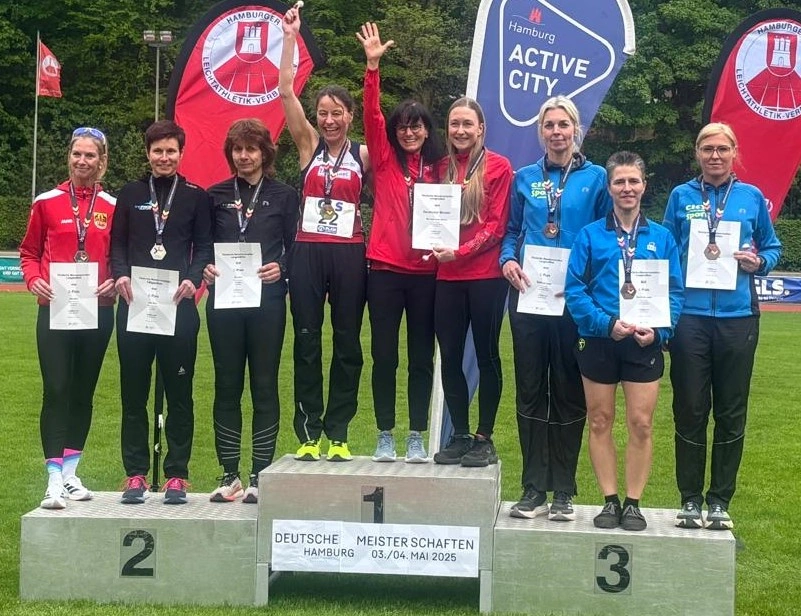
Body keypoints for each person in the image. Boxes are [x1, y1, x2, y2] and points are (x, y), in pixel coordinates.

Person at [663, 123, 781, 530]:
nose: (715, 156)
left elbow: (772, 246)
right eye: (707, 148)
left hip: (737, 319)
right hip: (690, 319)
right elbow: (665, 250)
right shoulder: (680, 197)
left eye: (722, 149)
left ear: (734, 152)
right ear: (696, 153)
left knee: (731, 412)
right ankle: (690, 499)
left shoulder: (750, 198)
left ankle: (719, 501)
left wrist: (759, 262)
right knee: (690, 410)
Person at [499, 96, 611, 521]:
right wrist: (508, 259)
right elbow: (512, 231)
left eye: (564, 124)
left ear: (576, 129)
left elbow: (604, 236)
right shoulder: (524, 177)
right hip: (528, 294)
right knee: (530, 389)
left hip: (573, 300)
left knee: (567, 392)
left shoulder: (597, 178)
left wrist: (589, 281)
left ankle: (563, 489)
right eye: (550, 125)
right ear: (540, 131)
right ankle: (532, 487)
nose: (557, 132)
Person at [565, 151, 683, 531]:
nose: (627, 188)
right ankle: (609, 500)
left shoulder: (662, 237)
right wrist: (605, 324)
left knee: (641, 423)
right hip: (600, 339)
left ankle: (633, 503)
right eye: (620, 181)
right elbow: (574, 290)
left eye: (634, 181)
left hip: (644, 342)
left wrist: (661, 332)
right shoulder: (590, 235)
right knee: (599, 420)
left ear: (644, 186)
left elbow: (675, 292)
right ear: (610, 187)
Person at [280, 6, 370, 462]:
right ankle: (309, 431)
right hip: (308, 252)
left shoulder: (364, 154)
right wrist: (291, 40)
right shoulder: (307, 146)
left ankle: (339, 432)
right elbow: (284, 93)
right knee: (309, 340)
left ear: (350, 115)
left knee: (349, 343)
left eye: (337, 113)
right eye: (323, 113)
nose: (330, 120)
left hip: (350, 252)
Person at [111, 120, 212, 505]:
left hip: (178, 305)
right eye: (158, 151)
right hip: (136, 304)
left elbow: (204, 247)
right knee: (133, 394)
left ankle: (176, 475)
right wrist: (120, 274)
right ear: (148, 153)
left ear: (180, 153)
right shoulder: (131, 193)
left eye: (171, 151)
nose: (164, 157)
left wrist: (192, 279)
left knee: (180, 394)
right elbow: (118, 245)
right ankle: (135, 473)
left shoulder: (194, 196)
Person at [357, 22, 445, 463]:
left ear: (428, 131)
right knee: (386, 356)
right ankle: (385, 432)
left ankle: (417, 433)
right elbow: (372, 116)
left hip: (427, 273)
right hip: (386, 270)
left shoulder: (441, 169)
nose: (410, 133)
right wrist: (373, 67)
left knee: (421, 360)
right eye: (403, 127)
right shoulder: (386, 161)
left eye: (418, 127)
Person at [20, 127, 116, 509]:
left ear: (101, 160)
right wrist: (33, 280)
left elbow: (120, 255)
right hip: (55, 310)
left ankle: (73, 472)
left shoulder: (113, 204)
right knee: (56, 389)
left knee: (82, 393)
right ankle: (53, 478)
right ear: (69, 156)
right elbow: (28, 252)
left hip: (98, 310)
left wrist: (114, 280)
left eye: (90, 155)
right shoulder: (46, 201)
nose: (82, 161)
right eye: (77, 154)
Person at [204, 119, 298, 503]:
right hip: (224, 302)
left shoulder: (285, 195)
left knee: (263, 384)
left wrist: (284, 268)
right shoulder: (214, 195)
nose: (244, 156)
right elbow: (199, 245)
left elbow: (298, 246)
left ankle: (259, 475)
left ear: (264, 153)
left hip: (267, 302)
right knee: (227, 385)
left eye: (251, 149)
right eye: (238, 150)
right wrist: (204, 268)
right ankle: (230, 475)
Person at [431, 97, 513, 467]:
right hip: (446, 278)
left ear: (481, 128)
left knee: (486, 355)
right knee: (449, 357)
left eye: (467, 124)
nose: (460, 131)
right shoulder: (439, 169)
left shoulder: (498, 166)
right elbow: (428, 218)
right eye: (454, 124)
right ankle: (460, 433)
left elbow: (497, 226)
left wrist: (460, 252)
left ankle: (484, 437)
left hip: (486, 278)